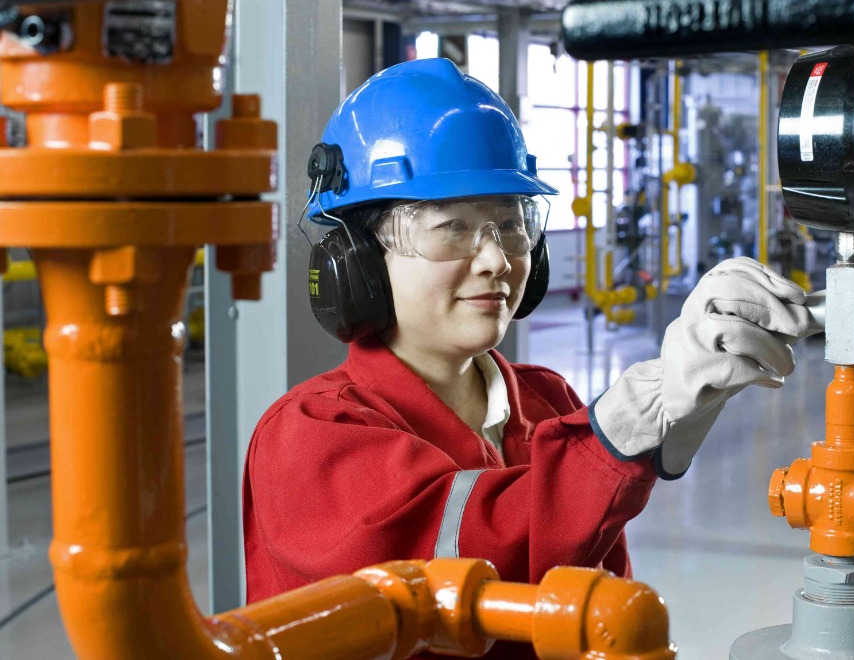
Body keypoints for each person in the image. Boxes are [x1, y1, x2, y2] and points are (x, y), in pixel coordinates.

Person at [242, 58, 819, 654]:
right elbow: (461, 573)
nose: (496, 259)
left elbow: (593, 604)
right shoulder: (310, 436)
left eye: (511, 225)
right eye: (452, 227)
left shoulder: (546, 399)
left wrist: (679, 411)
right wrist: (627, 423)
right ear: (357, 259)